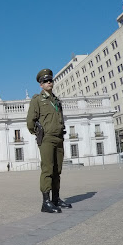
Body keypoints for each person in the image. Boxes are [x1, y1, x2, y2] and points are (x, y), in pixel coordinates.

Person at [27, 68, 72, 213]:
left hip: (58, 138)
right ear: (41, 84)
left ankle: (55, 198)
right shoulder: (37, 100)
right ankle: (45, 202)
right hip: (46, 139)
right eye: (45, 81)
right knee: (47, 169)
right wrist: (39, 134)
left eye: (50, 80)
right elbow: (30, 121)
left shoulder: (56, 100)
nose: (48, 83)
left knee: (57, 170)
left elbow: (60, 118)